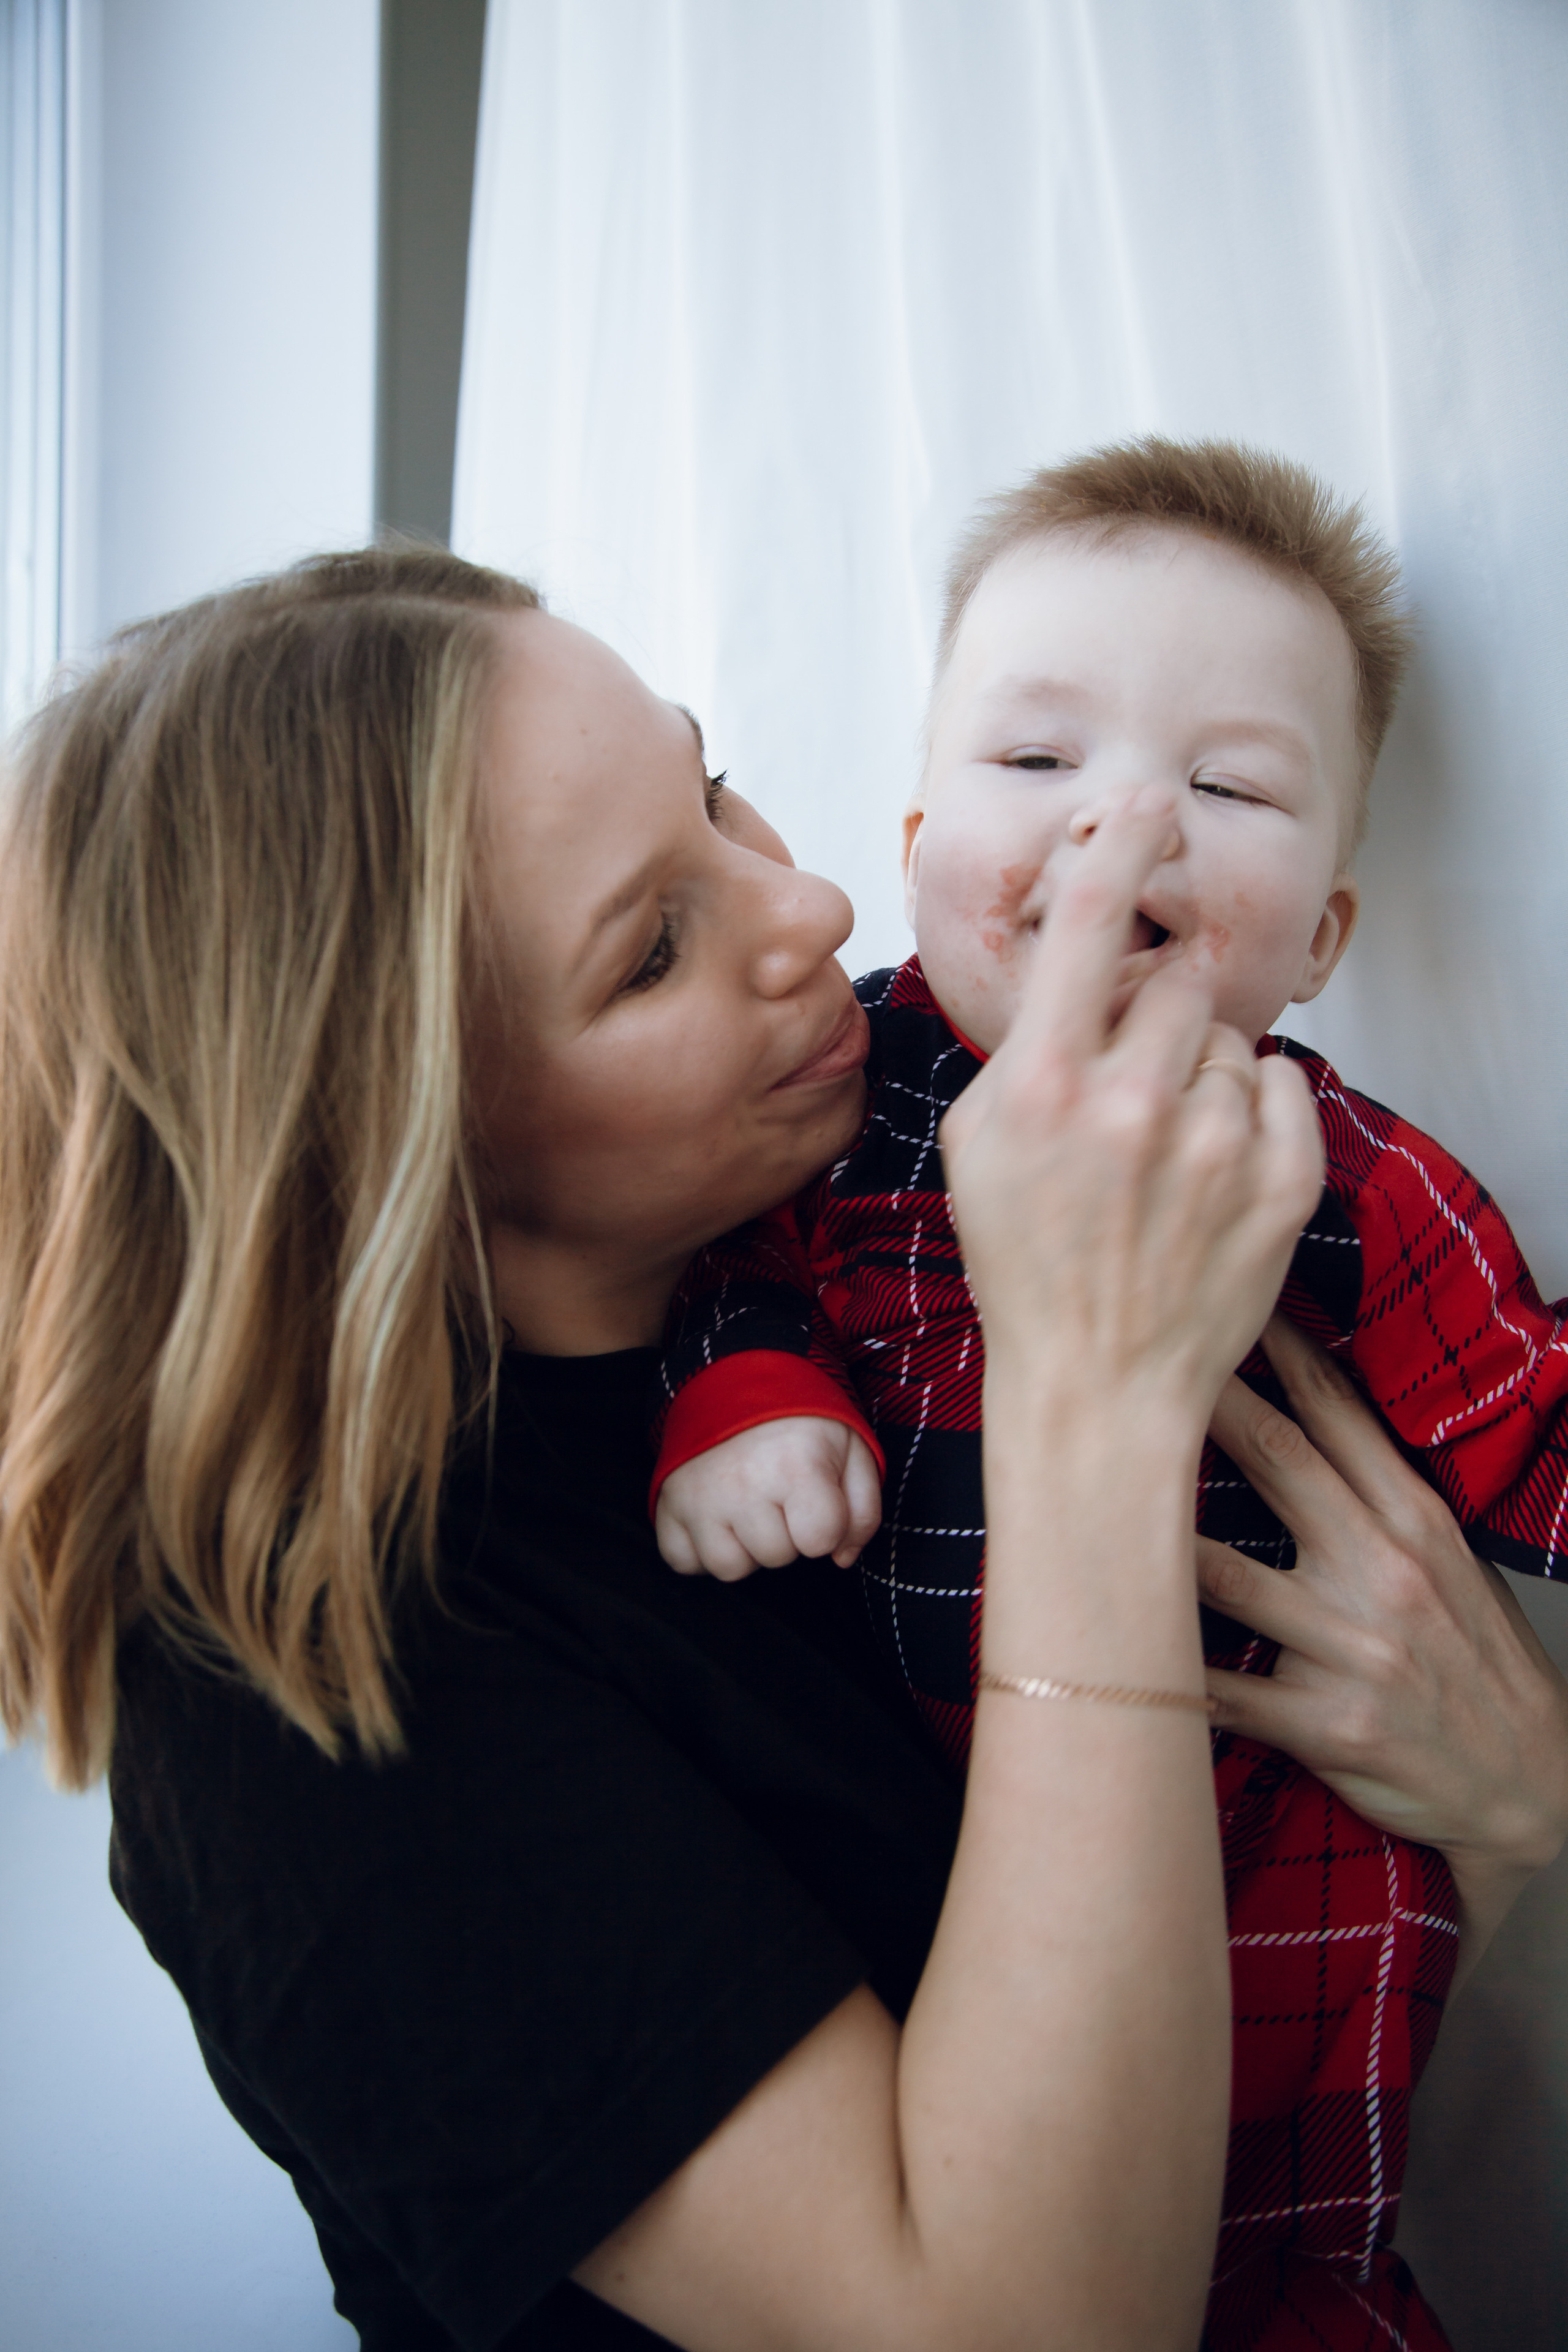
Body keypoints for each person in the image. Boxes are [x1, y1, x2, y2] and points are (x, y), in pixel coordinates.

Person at [0, 547, 1562, 2352]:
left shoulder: (859, 1244)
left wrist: (1511, 1810)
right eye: (653, 947)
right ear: (403, 1143)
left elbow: (1262, 2021)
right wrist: (1094, 1400)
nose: (813, 902)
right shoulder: (303, 1703)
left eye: (713, 781)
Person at [650, 439, 1568, 2346]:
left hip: (1284, 1892)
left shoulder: (1340, 1175)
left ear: (1319, 934)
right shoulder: (835, 1113)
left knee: (1304, 2262)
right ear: (914, 851)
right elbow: (727, 1280)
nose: (1121, 833)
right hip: (928, 1919)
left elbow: (1524, 1418)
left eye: (1225, 788)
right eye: (1036, 763)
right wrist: (747, 1404)